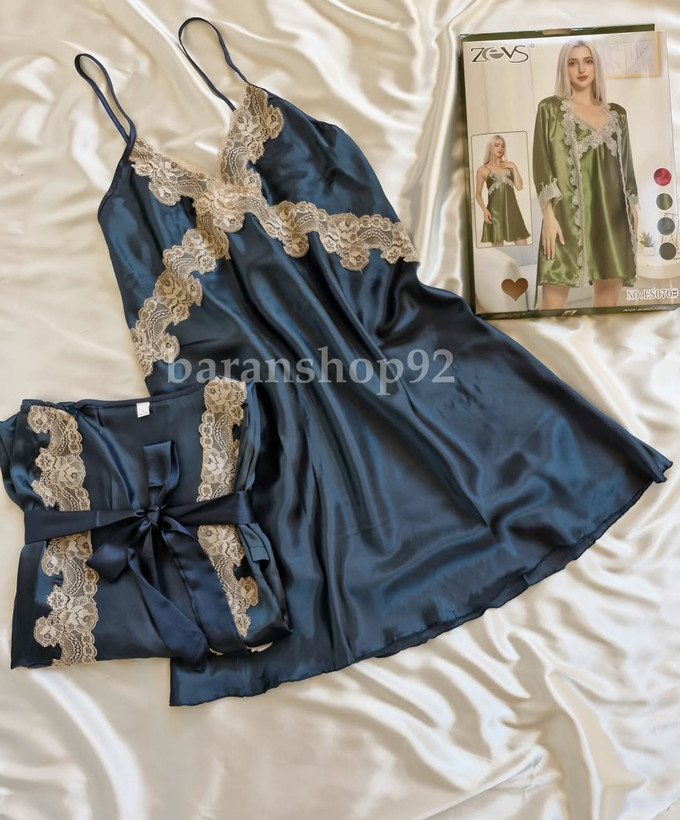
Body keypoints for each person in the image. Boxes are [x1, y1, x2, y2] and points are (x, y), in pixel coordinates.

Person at [533, 38, 639, 309]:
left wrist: (633, 207)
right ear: (564, 68)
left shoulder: (618, 114)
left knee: (606, 311)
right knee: (551, 312)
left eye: (588, 61)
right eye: (573, 63)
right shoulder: (550, 110)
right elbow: (542, 163)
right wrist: (548, 216)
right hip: (565, 220)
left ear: (596, 65)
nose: (581, 69)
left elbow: (626, 165)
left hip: (613, 219)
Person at [475, 134, 530, 246]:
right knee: (500, 250)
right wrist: (484, 210)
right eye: (497, 145)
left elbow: (519, 187)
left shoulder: (509, 166)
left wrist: (514, 167)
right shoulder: (482, 170)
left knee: (523, 245)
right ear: (490, 148)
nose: (500, 148)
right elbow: (478, 194)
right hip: (494, 213)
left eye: (503, 146)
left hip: (513, 211)